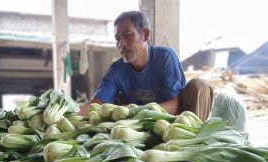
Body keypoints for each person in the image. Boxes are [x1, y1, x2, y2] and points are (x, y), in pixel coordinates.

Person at [79, 10, 213, 121]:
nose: (121, 44)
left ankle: (193, 140)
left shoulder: (165, 57)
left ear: (146, 35)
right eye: (117, 39)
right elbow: (97, 104)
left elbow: (175, 105)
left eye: (127, 35)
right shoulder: (116, 70)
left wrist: (134, 110)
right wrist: (67, 114)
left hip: (173, 121)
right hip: (139, 125)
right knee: (111, 106)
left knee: (200, 86)